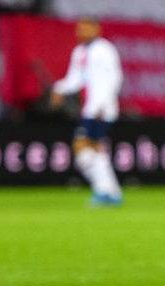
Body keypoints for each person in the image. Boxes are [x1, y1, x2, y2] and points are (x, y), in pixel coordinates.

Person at [51, 18, 124, 207]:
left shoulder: (105, 50)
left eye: (86, 29)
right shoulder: (80, 52)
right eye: (80, 29)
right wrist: (60, 88)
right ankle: (111, 193)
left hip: (101, 108)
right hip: (90, 108)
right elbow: (75, 79)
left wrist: (103, 105)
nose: (82, 33)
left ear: (96, 30)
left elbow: (115, 77)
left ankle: (103, 190)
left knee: (81, 145)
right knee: (96, 150)